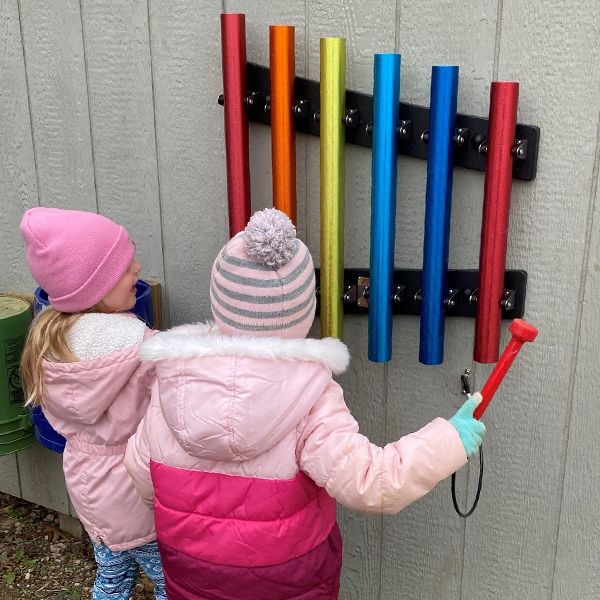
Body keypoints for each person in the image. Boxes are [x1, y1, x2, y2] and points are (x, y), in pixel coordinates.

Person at [125, 207, 485, 600]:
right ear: (300, 311)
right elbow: (372, 482)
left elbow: (142, 473)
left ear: (221, 300)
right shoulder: (311, 394)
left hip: (194, 571)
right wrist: (451, 438)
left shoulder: (174, 379)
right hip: (289, 578)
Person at [19, 207, 166, 600]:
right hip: (134, 490)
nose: (136, 266)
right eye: (122, 268)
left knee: (113, 576)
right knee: (173, 582)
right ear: (94, 288)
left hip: (89, 487)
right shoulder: (139, 346)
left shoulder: (49, 341)